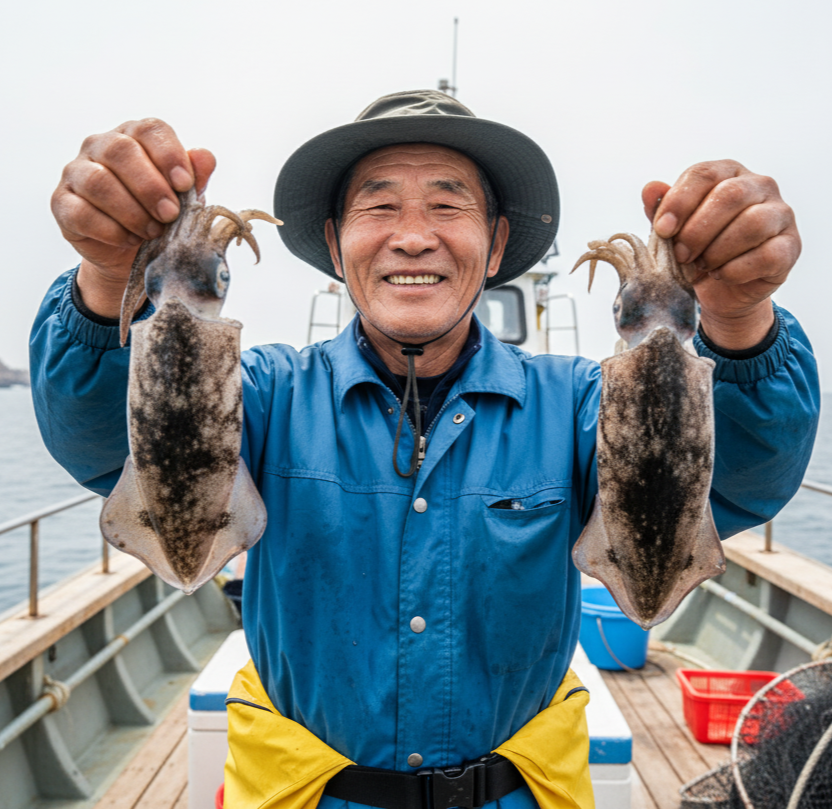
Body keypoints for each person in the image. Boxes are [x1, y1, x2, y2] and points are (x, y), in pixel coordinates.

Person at [33, 90, 819, 809]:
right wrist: (106, 280)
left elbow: (733, 482)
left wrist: (739, 322)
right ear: (337, 243)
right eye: (379, 207)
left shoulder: (582, 405)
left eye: (448, 205)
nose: (413, 236)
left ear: (496, 242)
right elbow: (105, 440)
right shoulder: (264, 394)